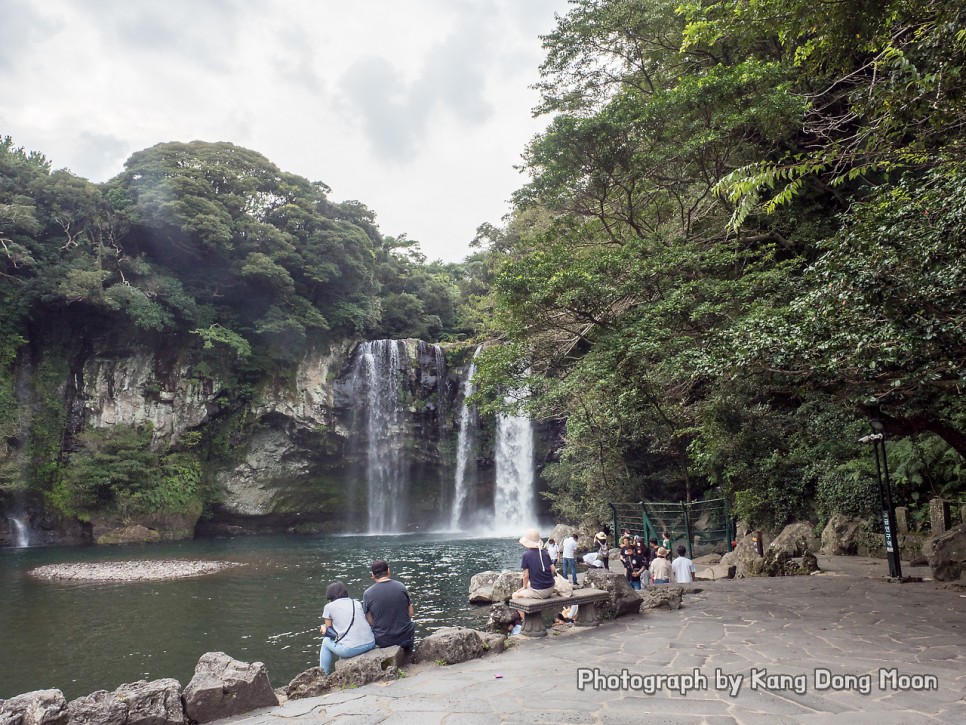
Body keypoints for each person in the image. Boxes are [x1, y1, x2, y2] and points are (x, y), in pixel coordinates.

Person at [319, 581, 376, 675]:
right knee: (344, 638)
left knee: (326, 642)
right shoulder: (356, 603)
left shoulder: (328, 607)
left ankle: (323, 675)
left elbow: (330, 632)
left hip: (351, 650)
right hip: (371, 643)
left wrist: (324, 630)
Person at [363, 559, 416, 650]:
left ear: (372, 575)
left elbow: (370, 621)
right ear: (388, 571)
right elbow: (411, 613)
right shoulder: (401, 586)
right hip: (405, 638)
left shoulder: (368, 593)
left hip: (383, 641)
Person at [512, 528, 556, 599]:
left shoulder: (526, 555)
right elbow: (553, 569)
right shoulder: (545, 553)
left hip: (540, 592)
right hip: (551, 588)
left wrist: (524, 587)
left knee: (515, 595)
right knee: (529, 584)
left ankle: (525, 610)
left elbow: (525, 576)